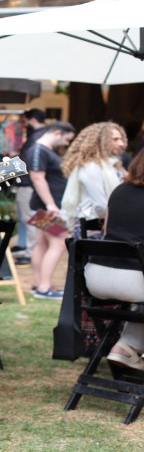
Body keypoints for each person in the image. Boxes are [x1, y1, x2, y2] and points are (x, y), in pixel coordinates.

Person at [85, 149, 144, 370]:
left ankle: (126, 346)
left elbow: (107, 229)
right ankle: (129, 345)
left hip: (95, 278)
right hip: (135, 281)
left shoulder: (119, 191)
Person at [27, 121, 76, 300]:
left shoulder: (46, 151)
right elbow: (37, 178)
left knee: (43, 244)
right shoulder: (39, 150)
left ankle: (39, 284)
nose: (66, 144)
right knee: (59, 242)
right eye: (66, 139)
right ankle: (44, 287)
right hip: (47, 207)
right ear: (57, 133)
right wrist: (50, 205)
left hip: (46, 207)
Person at [60, 122, 127, 239]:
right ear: (101, 140)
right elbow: (101, 205)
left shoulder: (111, 165)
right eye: (115, 139)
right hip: (93, 227)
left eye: (121, 139)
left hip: (105, 224)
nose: (121, 143)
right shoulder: (91, 167)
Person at [14, 108, 47, 266]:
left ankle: (32, 252)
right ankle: (34, 250)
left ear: (32, 120)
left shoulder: (36, 138)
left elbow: (31, 164)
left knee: (31, 217)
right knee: (36, 217)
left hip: (30, 183)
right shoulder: (43, 136)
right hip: (36, 184)